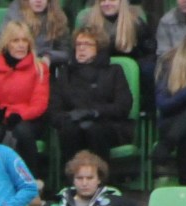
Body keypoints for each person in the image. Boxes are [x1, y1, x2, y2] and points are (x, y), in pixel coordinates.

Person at [49, 25, 133, 166]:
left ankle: (101, 179)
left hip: (107, 124)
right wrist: (71, 116)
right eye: (78, 44)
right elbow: (54, 110)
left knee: (94, 130)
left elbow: (123, 106)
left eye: (87, 44)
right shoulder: (65, 74)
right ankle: (72, 181)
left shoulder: (114, 71)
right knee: (70, 130)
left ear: (99, 48)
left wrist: (94, 112)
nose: (81, 48)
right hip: (73, 123)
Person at [0, 20, 49, 178]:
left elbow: (39, 103)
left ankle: (31, 180)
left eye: (25, 41)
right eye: (16, 40)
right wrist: (1, 116)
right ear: (6, 43)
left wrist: (19, 116)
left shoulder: (40, 68)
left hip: (29, 119)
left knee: (23, 130)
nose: (21, 45)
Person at [80, 0, 156, 108]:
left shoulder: (136, 23)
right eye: (102, 1)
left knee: (149, 69)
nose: (107, 3)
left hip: (133, 69)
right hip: (100, 69)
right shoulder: (88, 24)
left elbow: (149, 51)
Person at [153, 32, 186, 182]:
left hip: (175, 135)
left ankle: (166, 145)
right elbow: (163, 104)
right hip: (172, 122)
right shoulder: (170, 64)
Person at [0, 0, 71, 68]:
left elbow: (65, 52)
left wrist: (49, 57)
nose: (38, 1)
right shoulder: (14, 13)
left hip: (43, 69)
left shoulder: (58, 17)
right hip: (14, 65)